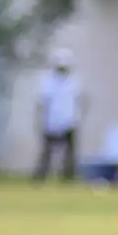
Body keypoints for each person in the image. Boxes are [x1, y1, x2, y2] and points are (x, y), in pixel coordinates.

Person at [32, 47, 85, 182]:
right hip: (51, 122)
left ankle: (68, 176)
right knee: (47, 152)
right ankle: (41, 176)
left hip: (69, 121)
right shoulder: (47, 82)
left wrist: (79, 117)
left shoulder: (74, 82)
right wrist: (40, 121)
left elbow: (80, 100)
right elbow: (42, 102)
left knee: (70, 152)